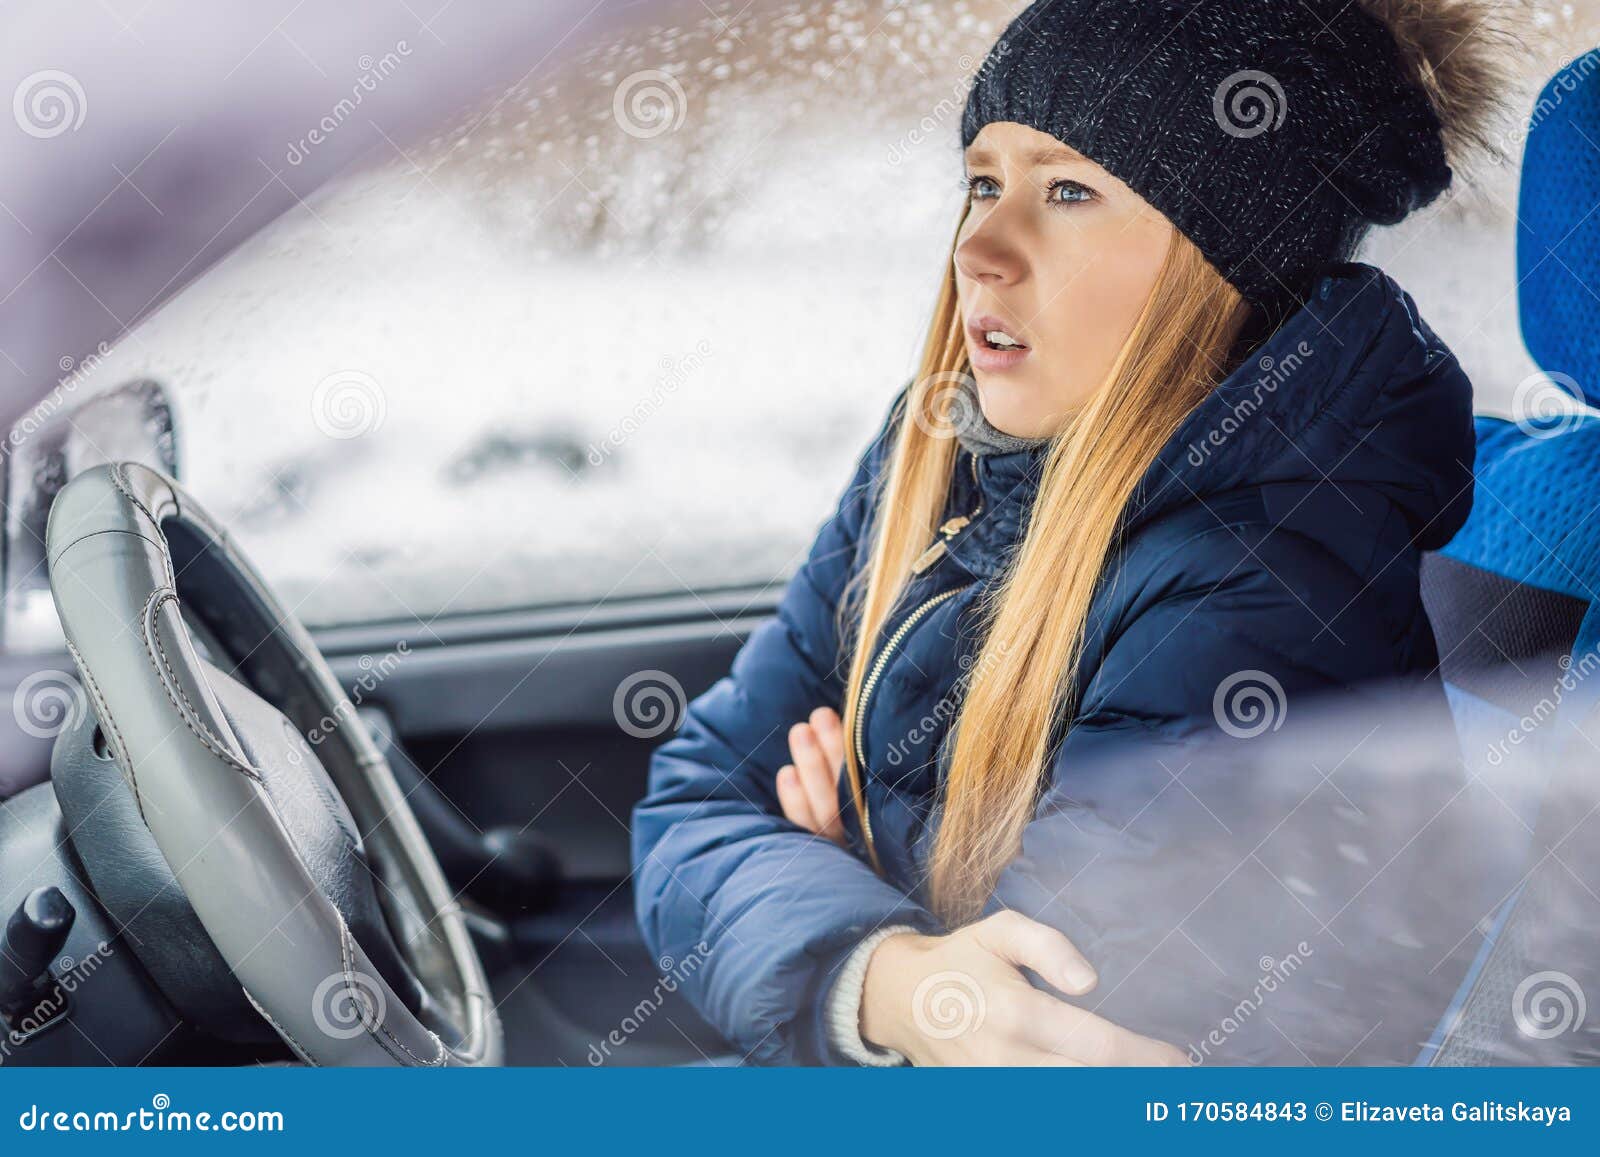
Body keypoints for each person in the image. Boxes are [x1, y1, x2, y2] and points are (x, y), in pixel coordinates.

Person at [631, 0, 1519, 1066]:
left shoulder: (1263, 575)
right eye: (980, 183)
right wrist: (883, 969)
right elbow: (693, 796)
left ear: (1217, 265)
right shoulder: (939, 456)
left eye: (1066, 191)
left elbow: (1027, 1038)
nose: (980, 248)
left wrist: (850, 863)